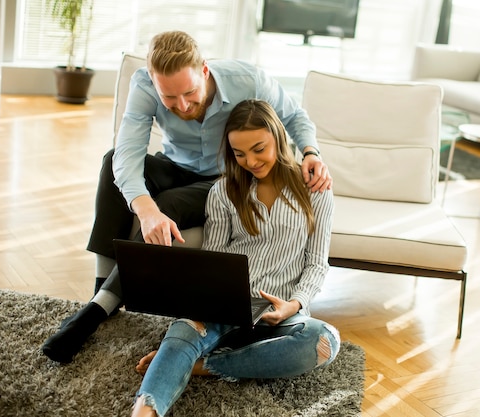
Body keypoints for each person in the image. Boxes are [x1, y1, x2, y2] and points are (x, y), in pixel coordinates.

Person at [41, 30, 332, 363]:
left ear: (204, 71)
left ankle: (95, 311)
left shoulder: (249, 79)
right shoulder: (144, 85)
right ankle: (101, 295)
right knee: (111, 163)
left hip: (222, 179)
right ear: (153, 81)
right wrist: (145, 210)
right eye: (170, 98)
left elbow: (294, 116)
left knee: (168, 206)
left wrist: (311, 151)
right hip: (174, 164)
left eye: (191, 92)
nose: (182, 106)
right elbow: (127, 154)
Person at [130, 99, 339, 417]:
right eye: (239, 154)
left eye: (259, 149)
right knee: (185, 328)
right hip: (223, 306)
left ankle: (203, 365)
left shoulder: (315, 189)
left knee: (324, 341)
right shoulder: (223, 192)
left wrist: (293, 305)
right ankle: (144, 411)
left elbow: (316, 263)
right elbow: (212, 260)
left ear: (278, 138)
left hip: (280, 315)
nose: (251, 161)